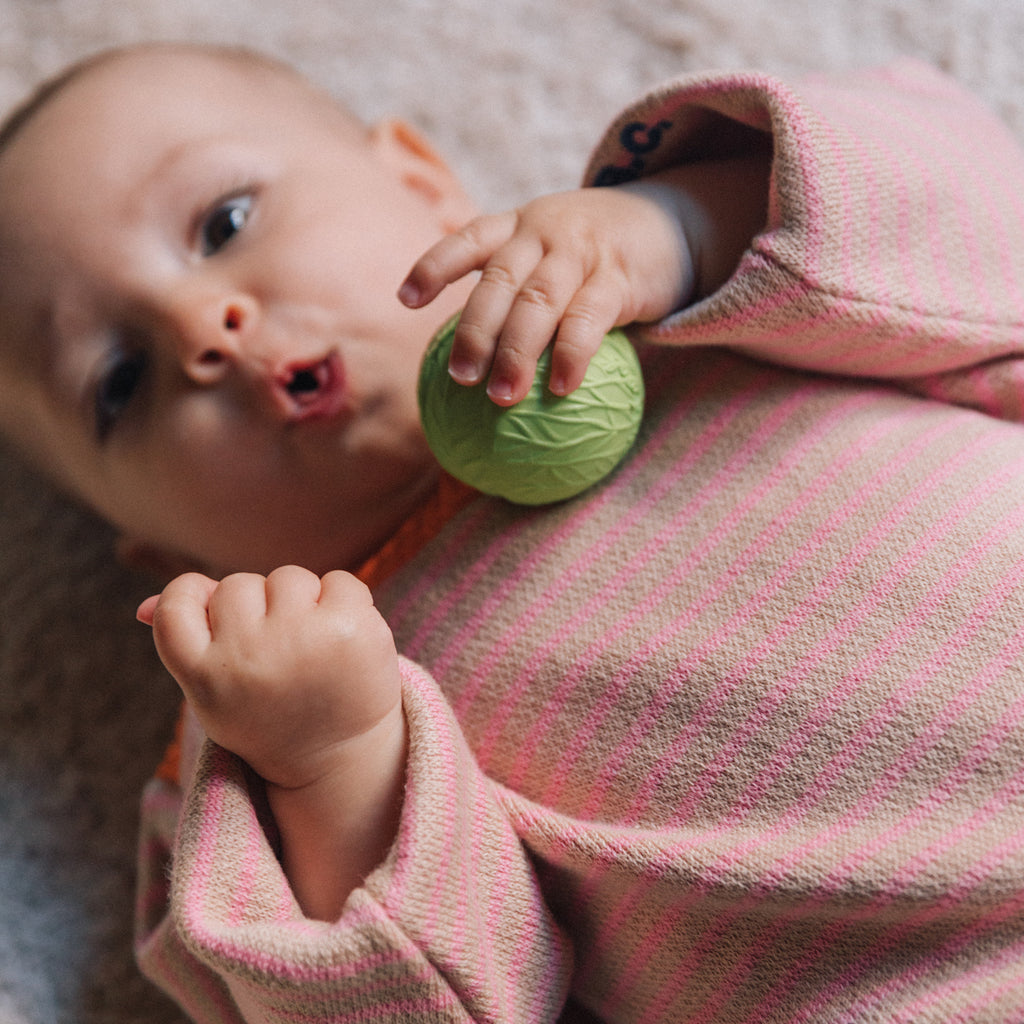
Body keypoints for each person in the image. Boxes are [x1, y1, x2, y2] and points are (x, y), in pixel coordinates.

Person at [1, 41, 1023, 1023]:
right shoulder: (260, 749)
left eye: (224, 222)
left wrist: (679, 223)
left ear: (421, 180)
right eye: (119, 382)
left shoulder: (705, 298)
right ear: (168, 554)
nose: (200, 325)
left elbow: (980, 219)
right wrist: (332, 761)